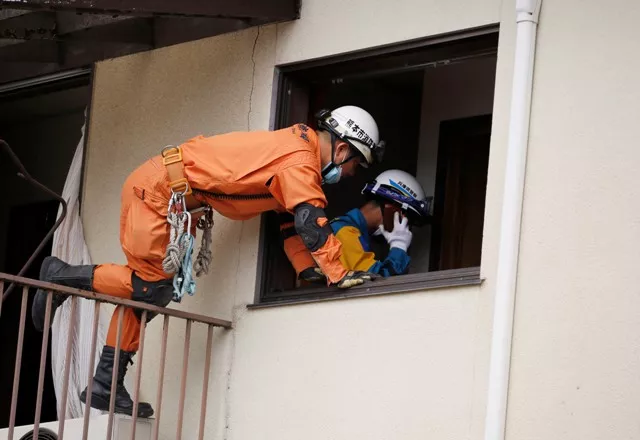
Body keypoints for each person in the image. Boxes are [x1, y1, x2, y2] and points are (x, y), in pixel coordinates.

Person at [30, 105, 385, 417]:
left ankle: (104, 385)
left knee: (145, 296)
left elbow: (290, 222)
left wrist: (307, 269)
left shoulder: (297, 154)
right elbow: (312, 223)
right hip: (158, 193)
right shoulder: (299, 161)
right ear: (341, 149)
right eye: (355, 166)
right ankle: (62, 276)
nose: (350, 175)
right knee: (149, 287)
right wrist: (339, 273)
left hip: (171, 198)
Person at [283, 170, 430, 280]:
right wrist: (399, 248)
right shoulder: (346, 233)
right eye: (407, 219)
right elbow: (376, 283)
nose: (406, 227)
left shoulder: (357, 233)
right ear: (394, 210)